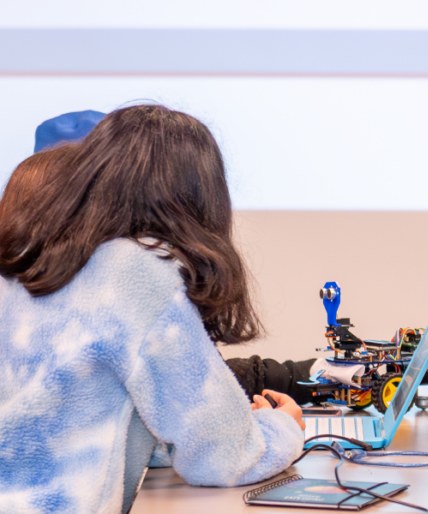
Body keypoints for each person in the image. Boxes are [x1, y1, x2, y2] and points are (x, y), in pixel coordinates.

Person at [0, 105, 306, 514]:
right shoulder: (137, 270)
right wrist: (284, 427)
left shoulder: (30, 264)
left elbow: (72, 427)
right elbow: (226, 457)